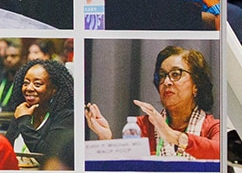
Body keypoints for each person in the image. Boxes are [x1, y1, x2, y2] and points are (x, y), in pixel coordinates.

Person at [85, 44, 220, 161]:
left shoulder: (212, 127)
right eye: (162, 76)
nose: (166, 82)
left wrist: (173, 136)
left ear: (196, 84)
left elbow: (219, 152)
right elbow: (128, 172)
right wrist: (106, 139)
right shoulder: (142, 127)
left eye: (175, 74)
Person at [2, 59, 76, 169]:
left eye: (37, 84)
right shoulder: (22, 110)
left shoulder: (65, 117)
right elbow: (5, 152)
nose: (29, 88)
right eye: (26, 83)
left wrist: (24, 121)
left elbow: (49, 157)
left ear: (53, 90)